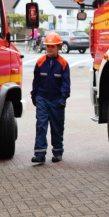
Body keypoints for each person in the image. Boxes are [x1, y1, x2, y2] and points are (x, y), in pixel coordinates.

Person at [30, 32, 70, 163]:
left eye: (52, 46)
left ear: (59, 47)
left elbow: (66, 83)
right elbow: (36, 81)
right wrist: (34, 96)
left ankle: (58, 151)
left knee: (57, 127)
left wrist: (63, 99)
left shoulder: (63, 64)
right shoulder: (40, 62)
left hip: (57, 100)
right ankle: (40, 154)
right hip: (42, 98)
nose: (49, 49)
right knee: (41, 125)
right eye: (47, 46)